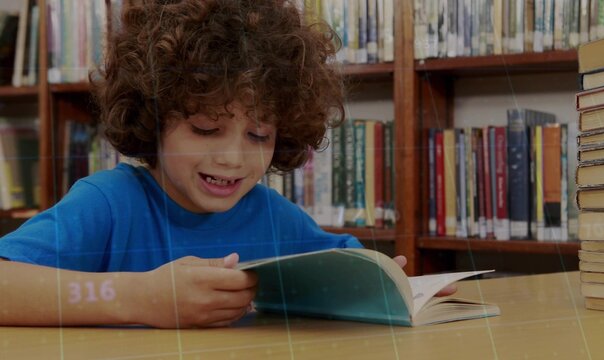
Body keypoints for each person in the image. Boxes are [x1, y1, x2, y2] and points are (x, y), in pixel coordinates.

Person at [0, 0, 420, 328]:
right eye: (204, 129)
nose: (233, 158)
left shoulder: (272, 216)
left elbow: (350, 266)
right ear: (154, 120)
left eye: (259, 136)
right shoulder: (108, 204)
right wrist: (140, 297)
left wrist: (394, 287)